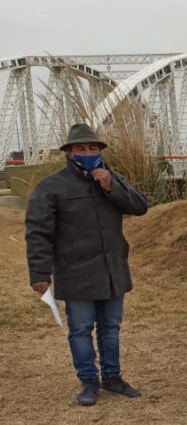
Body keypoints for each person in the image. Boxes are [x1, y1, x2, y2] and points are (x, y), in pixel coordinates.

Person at [25, 123, 149, 406]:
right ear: (68, 153)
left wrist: (110, 186)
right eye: (80, 148)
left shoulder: (110, 178)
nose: (88, 153)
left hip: (112, 270)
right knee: (81, 329)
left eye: (93, 148)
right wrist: (39, 273)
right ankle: (89, 381)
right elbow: (38, 232)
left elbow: (140, 206)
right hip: (75, 270)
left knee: (111, 327)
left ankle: (113, 377)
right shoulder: (52, 187)